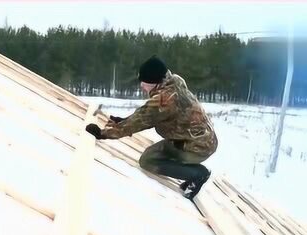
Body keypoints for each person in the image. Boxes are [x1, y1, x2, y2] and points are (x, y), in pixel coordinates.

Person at [86, 55, 218, 200]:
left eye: (145, 81)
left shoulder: (164, 100)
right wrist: (124, 121)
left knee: (148, 161)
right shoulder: (174, 82)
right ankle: (192, 171)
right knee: (152, 154)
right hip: (199, 138)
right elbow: (146, 117)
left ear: (154, 81)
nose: (141, 85)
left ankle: (197, 174)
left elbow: (142, 119)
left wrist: (102, 133)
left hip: (196, 147)